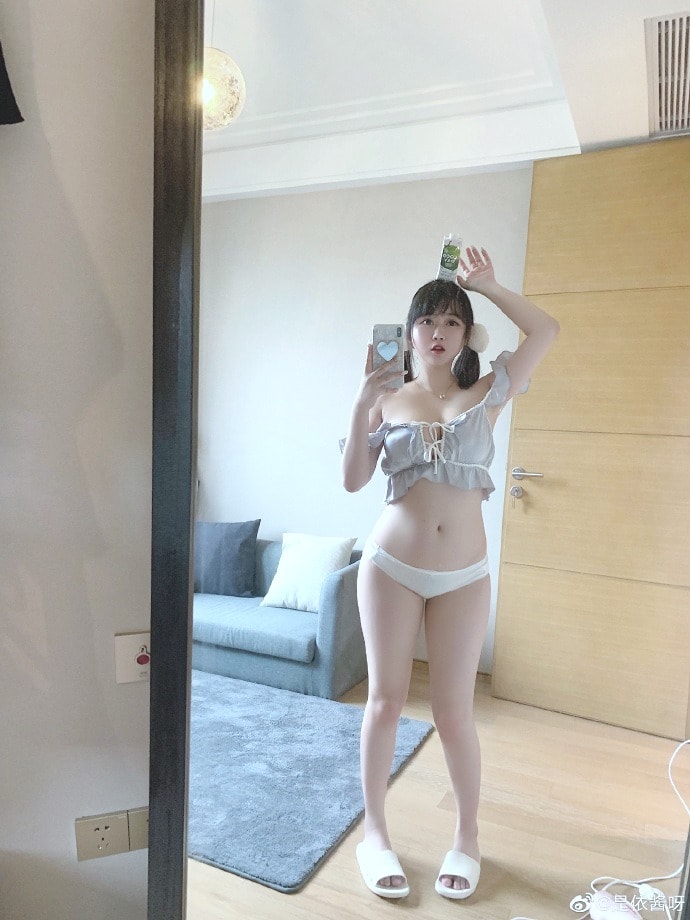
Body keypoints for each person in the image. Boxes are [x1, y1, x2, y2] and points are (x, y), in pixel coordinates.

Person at [341, 245, 559, 900]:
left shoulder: (489, 390)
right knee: (385, 702)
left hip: (463, 575)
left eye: (452, 321)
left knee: (454, 712)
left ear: (467, 335)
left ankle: (467, 838)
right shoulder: (386, 397)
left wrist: (487, 287)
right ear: (408, 334)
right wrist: (360, 402)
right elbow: (353, 480)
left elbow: (546, 330)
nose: (438, 332)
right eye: (427, 321)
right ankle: (374, 832)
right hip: (390, 568)